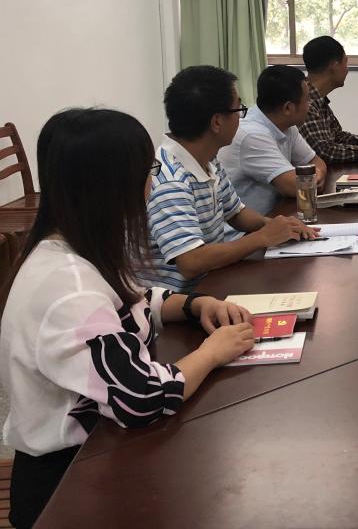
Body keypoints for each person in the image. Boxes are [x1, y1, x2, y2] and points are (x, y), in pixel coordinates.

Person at [0, 109, 255, 528]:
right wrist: (211, 353)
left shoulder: (73, 246)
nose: (153, 183)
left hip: (102, 448)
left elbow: (134, 301)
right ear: (114, 186)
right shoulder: (70, 288)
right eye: (148, 171)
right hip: (69, 480)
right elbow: (144, 398)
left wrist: (194, 305)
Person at [142, 66, 317, 293]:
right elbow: (190, 261)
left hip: (212, 281)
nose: (241, 118)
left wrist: (275, 225)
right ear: (217, 122)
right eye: (238, 110)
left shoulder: (207, 159)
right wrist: (262, 237)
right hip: (179, 300)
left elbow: (236, 213)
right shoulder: (170, 180)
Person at [219, 65, 327, 216]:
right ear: (288, 108)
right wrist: (315, 177)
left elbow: (317, 163)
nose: (309, 106)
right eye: (307, 100)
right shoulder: (252, 135)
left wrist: (315, 175)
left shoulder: (287, 126)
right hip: (249, 227)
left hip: (274, 217)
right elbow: (295, 186)